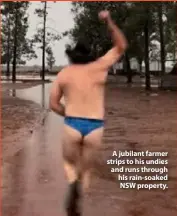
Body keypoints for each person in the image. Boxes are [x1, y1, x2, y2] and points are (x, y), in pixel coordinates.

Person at [49, 10, 128, 216]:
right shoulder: (100, 66)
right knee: (86, 170)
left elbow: (53, 104)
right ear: (90, 54)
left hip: (72, 124)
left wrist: (69, 113)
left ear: (73, 55)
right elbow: (121, 46)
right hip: (95, 127)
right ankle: (78, 197)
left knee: (69, 164)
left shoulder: (64, 73)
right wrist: (109, 21)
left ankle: (72, 185)